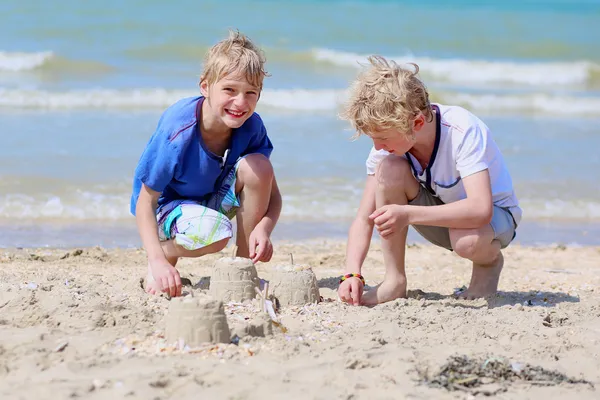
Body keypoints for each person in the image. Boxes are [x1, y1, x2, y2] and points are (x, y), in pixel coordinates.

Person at [337, 56, 521, 306]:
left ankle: (488, 263)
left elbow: (480, 209)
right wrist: (352, 273)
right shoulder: (388, 148)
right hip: (442, 216)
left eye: (382, 137)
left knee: (467, 242)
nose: (377, 146)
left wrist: (407, 214)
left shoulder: (461, 130)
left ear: (417, 122)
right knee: (388, 168)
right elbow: (364, 218)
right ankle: (394, 281)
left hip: (493, 220)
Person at [130, 30, 282, 298]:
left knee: (258, 165)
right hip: (167, 208)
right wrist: (157, 261)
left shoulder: (252, 127)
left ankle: (241, 267)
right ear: (205, 87)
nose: (240, 102)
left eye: (251, 92)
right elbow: (146, 202)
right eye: (229, 90)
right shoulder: (178, 131)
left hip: (211, 201)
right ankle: (166, 253)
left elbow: (273, 194)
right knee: (215, 233)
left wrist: (264, 228)